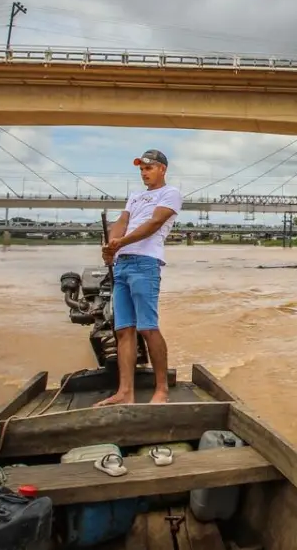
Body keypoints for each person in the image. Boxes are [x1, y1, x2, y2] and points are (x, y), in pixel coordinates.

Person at [95, 149, 183, 406]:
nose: (144, 173)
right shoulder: (135, 197)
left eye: (149, 168)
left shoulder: (170, 194)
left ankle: (161, 390)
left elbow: (153, 224)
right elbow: (122, 222)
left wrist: (120, 242)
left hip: (145, 264)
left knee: (147, 327)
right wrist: (112, 244)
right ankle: (125, 392)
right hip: (122, 265)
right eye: (141, 170)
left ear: (162, 169)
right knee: (124, 331)